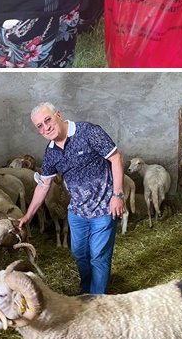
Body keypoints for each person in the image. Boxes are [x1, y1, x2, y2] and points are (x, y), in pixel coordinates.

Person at [18, 103, 125, 295]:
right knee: (80, 254)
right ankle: (86, 290)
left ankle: (96, 300)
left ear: (58, 115)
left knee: (99, 257)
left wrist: (117, 195)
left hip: (103, 209)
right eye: (40, 126)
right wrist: (28, 216)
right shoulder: (51, 151)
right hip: (77, 213)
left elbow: (116, 158)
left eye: (48, 120)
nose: (46, 127)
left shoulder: (88, 132)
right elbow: (43, 185)